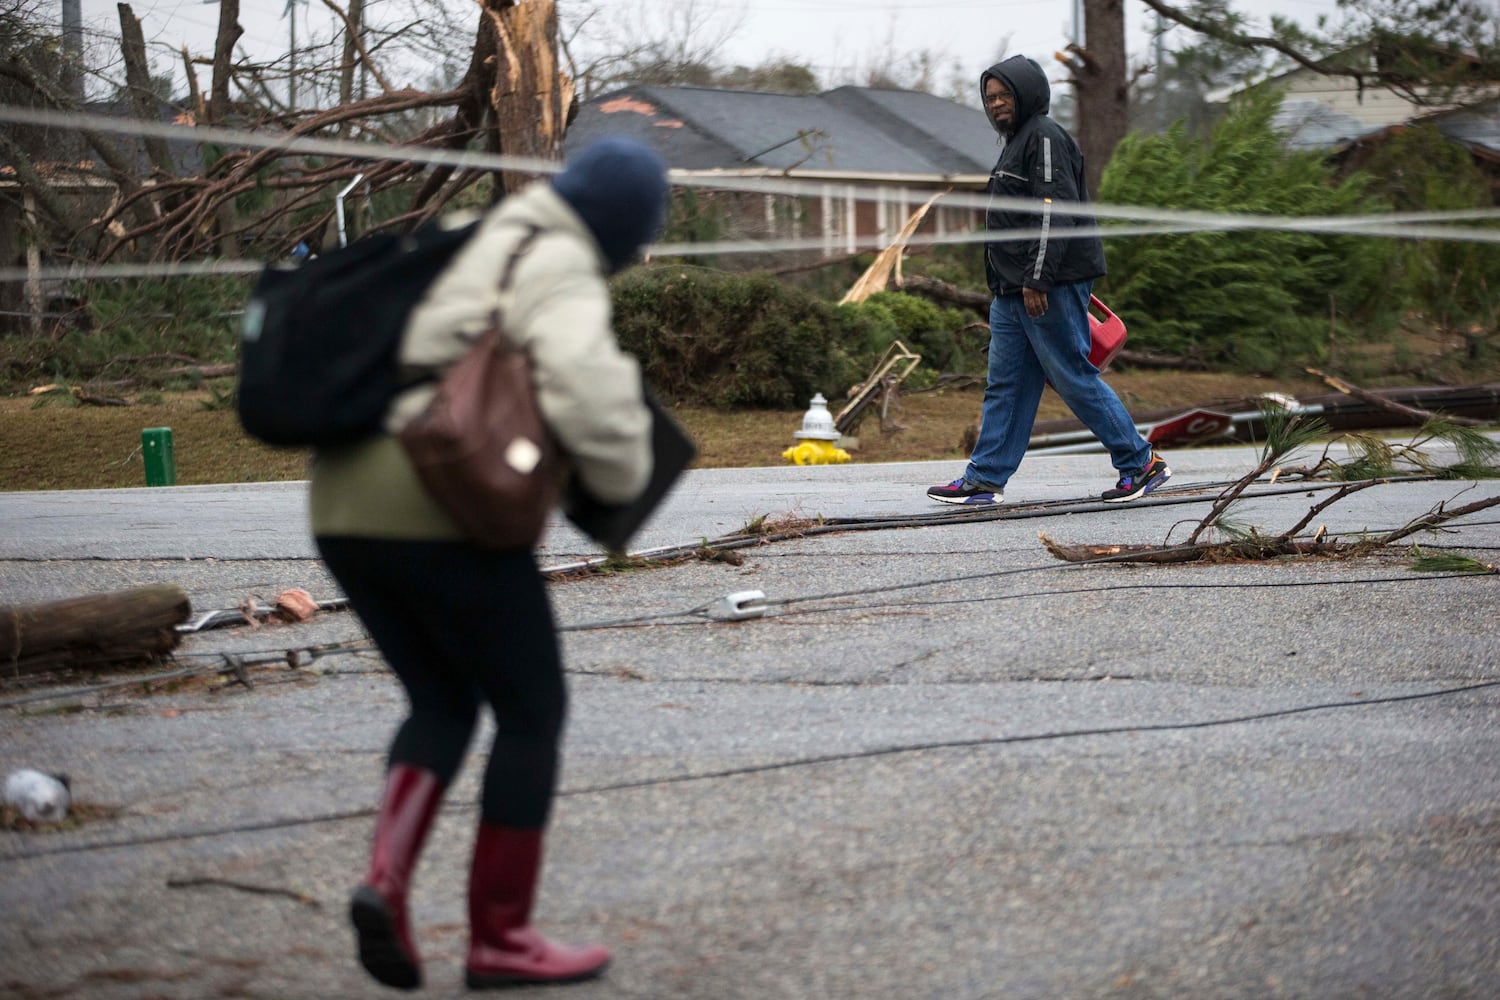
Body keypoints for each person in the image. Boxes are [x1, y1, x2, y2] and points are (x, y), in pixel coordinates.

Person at [308, 136, 668, 991]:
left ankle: (385, 887)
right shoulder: (560, 259)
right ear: (622, 224)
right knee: (531, 708)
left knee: (440, 700)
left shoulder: (477, 232)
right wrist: (622, 481)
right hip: (437, 498)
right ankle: (500, 938)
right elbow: (587, 386)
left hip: (342, 498)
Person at [927, 55, 1169, 506]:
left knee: (1073, 375)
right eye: (990, 97)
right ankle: (985, 477)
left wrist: (1038, 278)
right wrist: (1011, 283)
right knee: (1007, 385)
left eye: (1005, 95)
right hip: (1012, 291)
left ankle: (1141, 463)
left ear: (1028, 95)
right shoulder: (1017, 142)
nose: (997, 103)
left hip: (1046, 287)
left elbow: (1052, 212)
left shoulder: (1044, 137)